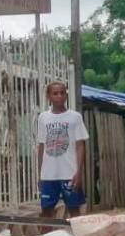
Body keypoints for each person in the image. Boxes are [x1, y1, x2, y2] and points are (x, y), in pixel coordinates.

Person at [37, 81, 89, 219]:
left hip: (69, 174)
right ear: (49, 96)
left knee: (74, 211)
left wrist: (78, 172)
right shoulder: (43, 118)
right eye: (55, 93)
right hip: (48, 175)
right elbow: (42, 145)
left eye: (62, 93)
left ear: (66, 95)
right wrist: (40, 174)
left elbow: (80, 145)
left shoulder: (75, 117)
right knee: (46, 211)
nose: (59, 96)